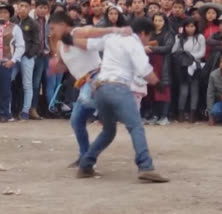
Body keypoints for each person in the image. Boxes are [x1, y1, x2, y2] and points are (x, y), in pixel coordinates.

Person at [65, 17, 169, 182]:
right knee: (136, 126)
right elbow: (144, 69)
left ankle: (86, 165)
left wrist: (70, 40)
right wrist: (158, 83)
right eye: (148, 37)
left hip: (100, 89)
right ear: (143, 33)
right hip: (118, 88)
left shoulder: (112, 38)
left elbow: (88, 44)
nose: (147, 41)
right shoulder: (134, 43)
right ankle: (145, 166)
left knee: (108, 130)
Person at [172, 17, 206, 123]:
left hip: (196, 65)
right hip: (183, 66)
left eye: (192, 26)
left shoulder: (200, 37)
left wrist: (189, 57)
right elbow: (174, 51)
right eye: (187, 26)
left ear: (196, 27)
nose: (190, 29)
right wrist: (177, 40)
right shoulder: (180, 38)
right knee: (184, 90)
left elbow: (202, 52)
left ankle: (193, 113)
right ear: (184, 27)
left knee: (194, 89)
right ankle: (181, 112)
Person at [13, 0, 40, 120]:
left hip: (26, 57)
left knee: (27, 84)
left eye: (25, 6)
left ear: (29, 9)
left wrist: (29, 55)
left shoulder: (33, 23)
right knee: (8, 81)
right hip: (13, 57)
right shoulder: (12, 21)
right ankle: (7, 109)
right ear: (17, 8)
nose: (22, 8)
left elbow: (36, 42)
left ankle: (25, 111)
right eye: (20, 6)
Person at [145, 12, 174, 125]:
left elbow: (168, 48)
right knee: (152, 91)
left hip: (163, 65)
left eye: (160, 21)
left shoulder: (169, 34)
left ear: (165, 22)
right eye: (155, 20)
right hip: (152, 64)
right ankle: (155, 115)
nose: (157, 23)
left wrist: (151, 48)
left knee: (164, 90)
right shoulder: (150, 33)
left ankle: (164, 116)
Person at [31, 0, 50, 119]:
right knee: (35, 84)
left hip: (45, 55)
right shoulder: (31, 20)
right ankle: (31, 108)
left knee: (45, 84)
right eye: (40, 8)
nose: (42, 10)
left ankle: (42, 109)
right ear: (36, 8)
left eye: (45, 8)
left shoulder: (48, 21)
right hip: (34, 56)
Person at [207, 53, 222, 125]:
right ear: (220, 64)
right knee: (216, 111)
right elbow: (210, 95)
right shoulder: (213, 75)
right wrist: (210, 117)